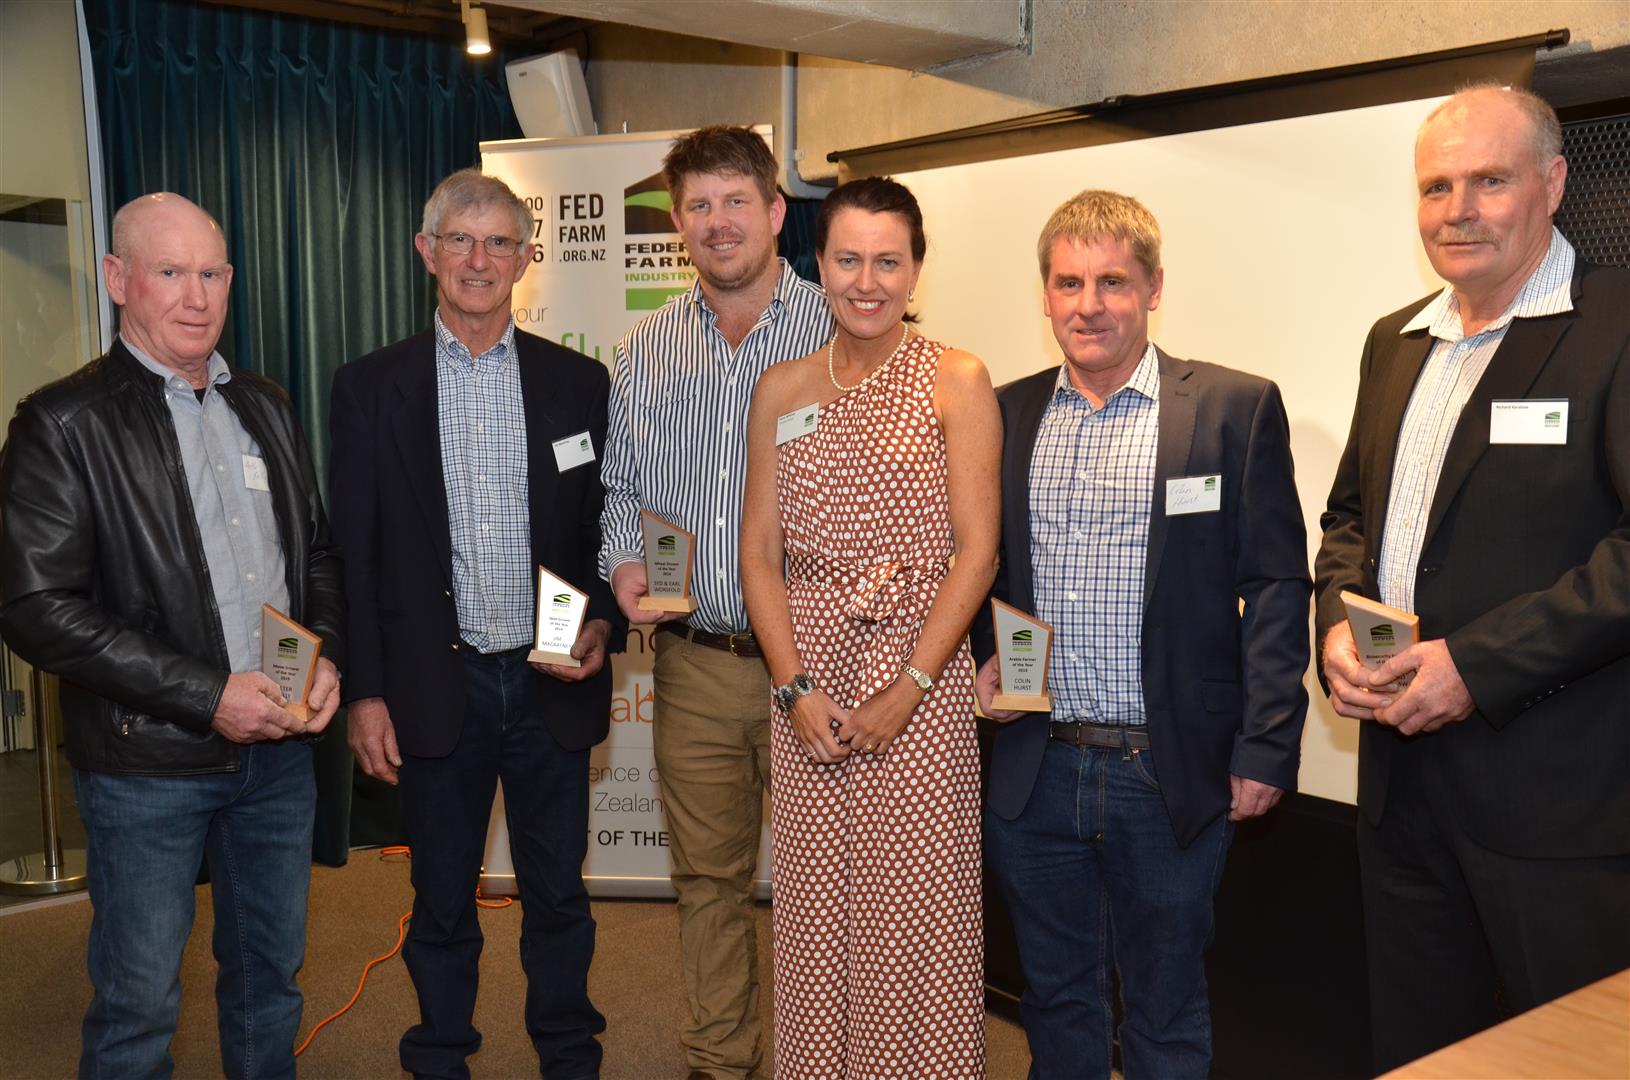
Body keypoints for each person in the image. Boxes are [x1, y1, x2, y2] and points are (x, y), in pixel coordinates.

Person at [1314, 84, 1630, 1073]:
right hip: (1400, 794)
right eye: (1435, 186)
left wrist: (1475, 667)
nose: (1457, 209)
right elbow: (1348, 523)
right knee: (1420, 1053)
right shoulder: (1393, 341)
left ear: (1551, 182)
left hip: (1557, 811)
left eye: (1488, 181)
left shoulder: (1616, 325)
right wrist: (1334, 627)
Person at [0, 192, 343, 1078]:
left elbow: (315, 555)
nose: (196, 297)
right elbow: (36, 608)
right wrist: (206, 695)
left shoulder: (264, 404)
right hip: (146, 768)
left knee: (271, 981)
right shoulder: (61, 423)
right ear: (119, 280)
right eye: (169, 272)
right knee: (138, 1004)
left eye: (211, 273)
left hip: (277, 756)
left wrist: (324, 653)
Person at [972, 189, 1310, 1080]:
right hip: (1034, 770)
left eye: (1113, 281)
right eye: (1069, 282)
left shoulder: (1235, 409)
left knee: (1165, 1012)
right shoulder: (1002, 415)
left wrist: (1268, 746)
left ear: (1154, 289)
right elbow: (977, 568)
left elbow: (1276, 585)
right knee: (1056, 1001)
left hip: (1170, 773)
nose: (1090, 304)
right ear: (1044, 295)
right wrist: (980, 663)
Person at [328, 168, 620, 1080]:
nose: (480, 259)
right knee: (442, 897)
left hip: (546, 684)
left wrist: (604, 619)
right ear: (427, 252)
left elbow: (603, 525)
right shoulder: (370, 387)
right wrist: (366, 691)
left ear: (527, 258)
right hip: (431, 683)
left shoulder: (579, 383)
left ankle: (569, 1055)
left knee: (559, 896)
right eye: (461, 239)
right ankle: (439, 1055)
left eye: (500, 242)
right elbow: (354, 552)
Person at [740, 176, 1001, 1077]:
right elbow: (758, 555)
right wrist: (793, 685)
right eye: (848, 258)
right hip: (807, 684)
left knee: (910, 914)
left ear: (917, 268)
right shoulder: (781, 388)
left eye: (888, 261)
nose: (867, 280)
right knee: (816, 915)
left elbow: (978, 555)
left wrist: (914, 687)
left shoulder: (956, 378)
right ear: (819, 263)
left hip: (918, 688)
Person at [598, 125, 832, 1080]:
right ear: (678, 226)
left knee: (829, 886)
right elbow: (619, 492)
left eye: (737, 201)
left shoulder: (841, 331)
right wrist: (622, 567)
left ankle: (830, 1057)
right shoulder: (643, 350)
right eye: (697, 206)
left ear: (776, 213)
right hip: (694, 662)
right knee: (708, 883)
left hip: (822, 660)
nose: (717, 222)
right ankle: (719, 1060)